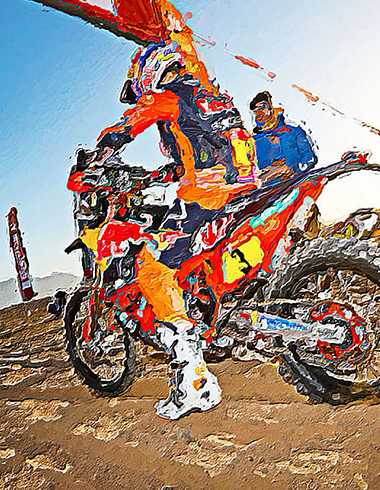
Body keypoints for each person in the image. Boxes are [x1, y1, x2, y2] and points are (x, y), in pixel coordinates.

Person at [87, 40, 257, 420]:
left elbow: (126, 126)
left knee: (151, 268)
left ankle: (194, 382)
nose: (140, 92)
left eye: (139, 84)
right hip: (244, 190)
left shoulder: (169, 96)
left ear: (150, 70)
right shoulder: (212, 96)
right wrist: (167, 174)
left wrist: (95, 158)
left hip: (206, 195)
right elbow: (205, 146)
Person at [249, 91, 320, 251]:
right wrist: (259, 177)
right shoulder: (254, 141)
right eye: (254, 111)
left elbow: (310, 159)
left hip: (299, 192)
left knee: (306, 239)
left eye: (261, 108)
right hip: (270, 198)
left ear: (270, 108)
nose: (258, 113)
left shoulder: (293, 132)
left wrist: (290, 169)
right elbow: (250, 171)